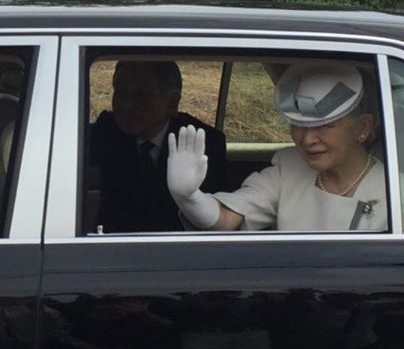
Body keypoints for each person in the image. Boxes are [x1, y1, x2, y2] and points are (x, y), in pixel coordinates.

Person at [167, 61, 387, 232]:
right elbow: (227, 218)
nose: (307, 139)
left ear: (363, 128)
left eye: (325, 125)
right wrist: (190, 198)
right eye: (298, 125)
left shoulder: (394, 192)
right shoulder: (289, 168)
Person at [90, 61, 227, 233]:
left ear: (172, 103)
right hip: (108, 247)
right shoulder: (106, 130)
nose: (126, 104)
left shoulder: (204, 143)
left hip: (178, 249)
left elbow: (215, 219)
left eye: (140, 95)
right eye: (121, 92)